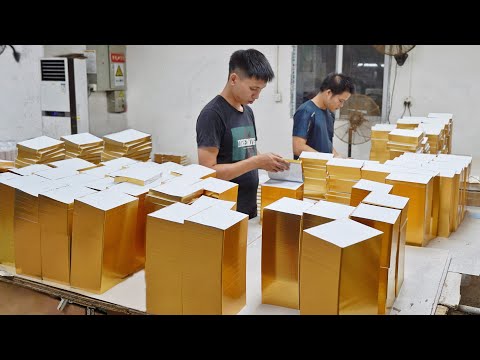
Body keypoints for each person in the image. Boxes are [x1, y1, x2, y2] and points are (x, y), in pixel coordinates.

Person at [196, 49, 290, 219]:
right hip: (224, 213)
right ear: (234, 79)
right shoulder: (212, 114)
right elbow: (207, 172)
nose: (257, 96)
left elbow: (245, 152)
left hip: (248, 207)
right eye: (253, 89)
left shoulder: (247, 111)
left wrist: (268, 162)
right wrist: (256, 161)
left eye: (260, 90)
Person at [292, 73, 355, 159]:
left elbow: (327, 143)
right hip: (308, 170)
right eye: (340, 101)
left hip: (323, 169)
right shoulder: (306, 111)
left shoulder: (330, 114)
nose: (341, 105)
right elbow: (298, 148)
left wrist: (338, 158)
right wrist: (327, 159)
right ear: (328, 93)